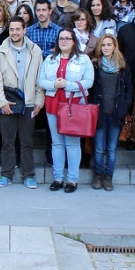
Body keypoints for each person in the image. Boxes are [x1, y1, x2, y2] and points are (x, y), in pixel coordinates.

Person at [0, 16, 45, 188]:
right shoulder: (0, 51)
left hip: (28, 103)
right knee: (7, 141)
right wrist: (2, 103)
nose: (14, 32)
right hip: (8, 103)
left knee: (27, 141)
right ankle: (6, 174)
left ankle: (28, 174)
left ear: (24, 30)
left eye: (17, 29)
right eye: (12, 29)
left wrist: (39, 100)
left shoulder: (35, 50)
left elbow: (39, 77)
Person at [39, 28, 94, 192]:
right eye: (61, 38)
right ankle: (58, 178)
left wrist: (68, 85)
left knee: (72, 143)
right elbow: (41, 80)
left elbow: (89, 81)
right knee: (56, 143)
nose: (63, 41)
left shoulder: (83, 59)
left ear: (74, 41)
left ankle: (72, 180)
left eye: (67, 38)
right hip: (53, 103)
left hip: (73, 105)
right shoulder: (49, 59)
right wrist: (54, 85)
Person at [89, 34, 132, 191]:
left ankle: (108, 177)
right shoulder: (95, 65)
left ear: (114, 46)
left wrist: (124, 107)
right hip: (99, 113)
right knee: (99, 148)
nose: (106, 47)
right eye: (103, 45)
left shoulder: (123, 66)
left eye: (109, 44)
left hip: (116, 113)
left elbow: (129, 90)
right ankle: (98, 176)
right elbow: (91, 89)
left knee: (112, 149)